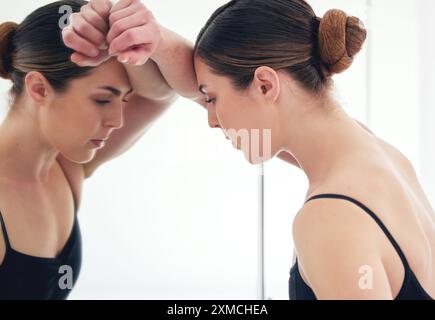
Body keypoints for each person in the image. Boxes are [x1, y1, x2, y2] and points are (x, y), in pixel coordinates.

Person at [63, 0, 435, 300]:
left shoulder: (330, 216)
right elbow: (198, 82)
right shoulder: (379, 156)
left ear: (264, 85)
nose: (210, 118)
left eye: (212, 99)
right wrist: (152, 38)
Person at [0, 0, 192, 299]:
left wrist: (140, 34)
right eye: (103, 100)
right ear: (39, 88)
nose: (117, 120)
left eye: (124, 100)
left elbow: (163, 93)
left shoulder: (65, 168)